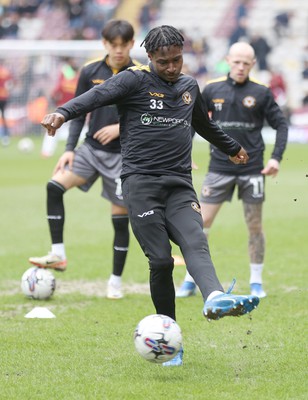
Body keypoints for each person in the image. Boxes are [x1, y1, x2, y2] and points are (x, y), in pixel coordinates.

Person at [39, 26, 260, 367]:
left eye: (176, 60)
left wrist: (232, 148)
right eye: (163, 62)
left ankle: (215, 296)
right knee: (160, 261)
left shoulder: (188, 86)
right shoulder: (133, 80)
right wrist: (62, 112)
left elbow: (202, 123)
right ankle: (172, 337)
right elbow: (94, 98)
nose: (171, 68)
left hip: (178, 184)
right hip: (140, 186)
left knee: (195, 239)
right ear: (150, 58)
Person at [29, 19, 139, 300]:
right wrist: (68, 148)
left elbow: (144, 119)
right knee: (54, 186)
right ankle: (58, 253)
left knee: (119, 218)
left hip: (122, 156)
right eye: (112, 45)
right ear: (104, 44)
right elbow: (77, 111)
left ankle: (115, 281)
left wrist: (119, 128)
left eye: (123, 45)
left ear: (130, 44)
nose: (118, 50)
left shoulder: (140, 75)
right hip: (90, 150)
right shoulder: (90, 71)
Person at [176, 42, 288, 300]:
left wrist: (276, 159)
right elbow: (194, 120)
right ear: (227, 59)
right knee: (198, 224)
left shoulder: (261, 92)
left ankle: (256, 281)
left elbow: (281, 125)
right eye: (236, 62)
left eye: (245, 63)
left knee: (254, 225)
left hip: (253, 169)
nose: (240, 67)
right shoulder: (212, 88)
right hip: (219, 167)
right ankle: (191, 279)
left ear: (253, 64)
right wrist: (186, 151)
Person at [41, 57, 80, 158]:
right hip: (75, 109)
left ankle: (46, 151)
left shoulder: (64, 79)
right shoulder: (78, 80)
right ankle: (75, 152)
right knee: (77, 129)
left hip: (64, 109)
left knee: (54, 127)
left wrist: (53, 99)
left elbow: (55, 93)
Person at [0, 60, 13, 146]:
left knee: (3, 115)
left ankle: (5, 135)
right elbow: (10, 84)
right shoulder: (6, 71)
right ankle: (6, 135)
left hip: (2, 96)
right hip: (4, 96)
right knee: (3, 115)